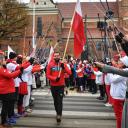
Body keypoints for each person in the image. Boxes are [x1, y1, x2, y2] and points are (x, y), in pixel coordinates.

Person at [46, 52, 71, 124]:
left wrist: (64, 67)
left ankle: (59, 115)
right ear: (53, 57)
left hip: (61, 86)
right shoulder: (50, 65)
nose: (56, 57)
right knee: (55, 101)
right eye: (55, 56)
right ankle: (57, 112)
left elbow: (69, 73)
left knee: (60, 100)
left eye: (58, 56)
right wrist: (54, 78)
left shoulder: (63, 64)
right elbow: (47, 75)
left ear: (59, 56)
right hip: (53, 86)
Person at [0, 51, 23, 127]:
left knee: (7, 106)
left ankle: (6, 120)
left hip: (8, 89)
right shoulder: (1, 69)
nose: (5, 61)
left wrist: (17, 73)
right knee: (5, 107)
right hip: (5, 90)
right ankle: (4, 122)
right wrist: (19, 71)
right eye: (3, 59)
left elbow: (11, 75)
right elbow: (10, 75)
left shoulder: (3, 68)